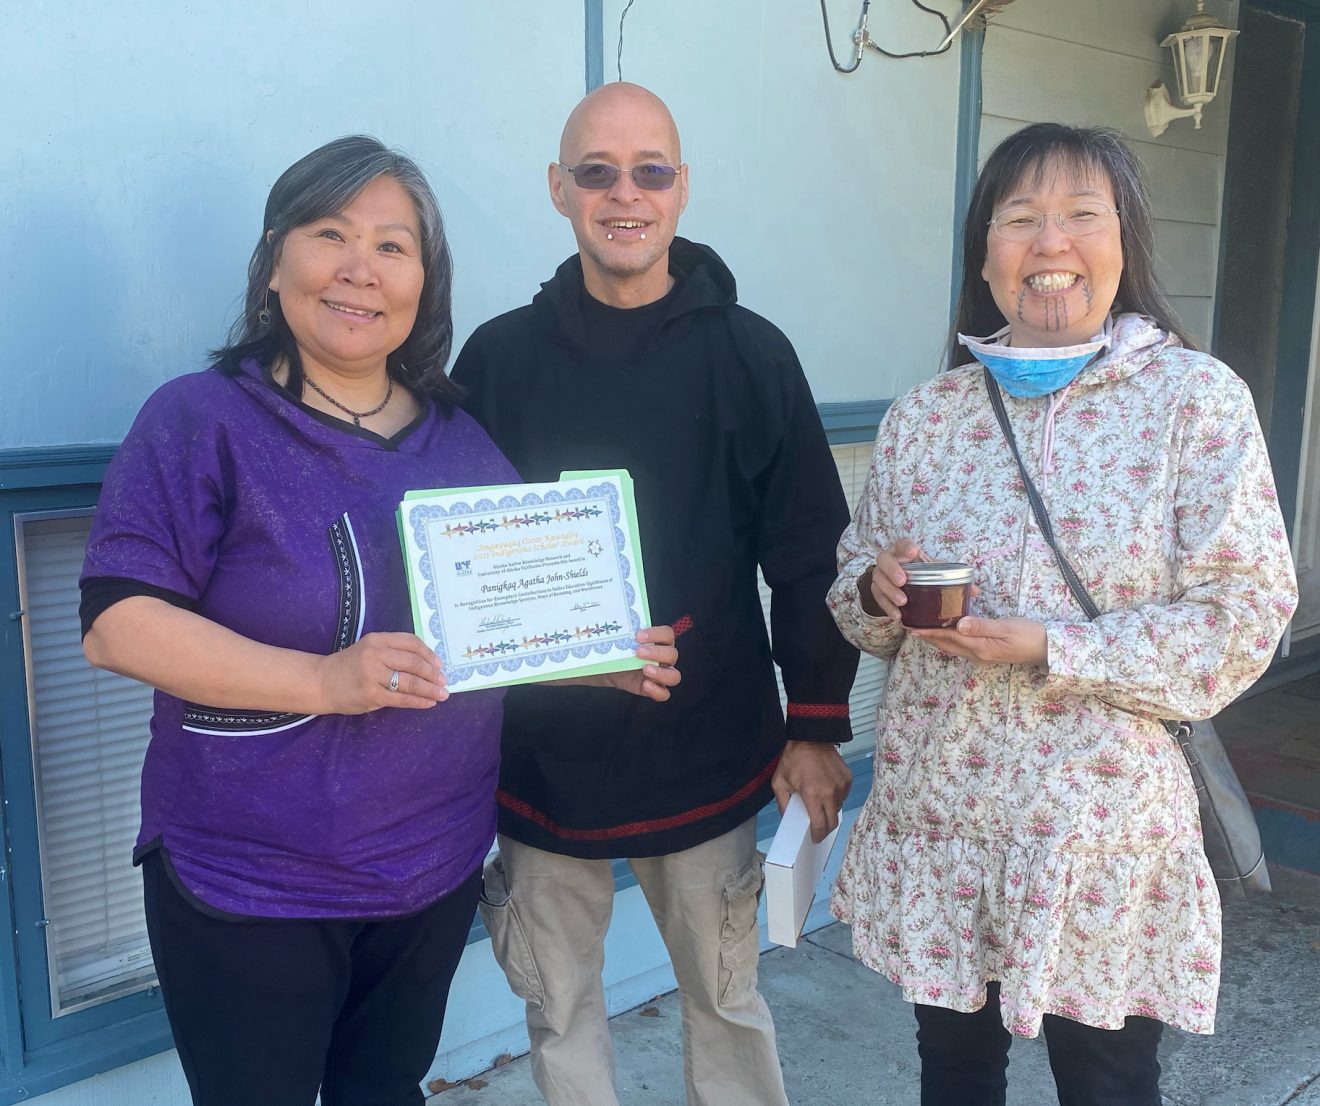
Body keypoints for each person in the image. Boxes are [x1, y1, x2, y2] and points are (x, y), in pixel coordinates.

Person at [78, 135, 679, 1106]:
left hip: (428, 865)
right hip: (250, 877)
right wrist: (323, 680)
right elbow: (116, 623)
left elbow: (485, 626)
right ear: (277, 261)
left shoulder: (463, 440)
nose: (360, 267)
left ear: (424, 283)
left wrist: (587, 654)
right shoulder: (200, 420)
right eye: (330, 233)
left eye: (393, 246)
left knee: (384, 1091)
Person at [827, 121, 1298, 1106]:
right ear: (985, 253)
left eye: (1082, 215)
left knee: (1109, 1080)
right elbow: (855, 588)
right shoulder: (929, 413)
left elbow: (1244, 612)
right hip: (943, 818)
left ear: (1125, 243)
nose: (1050, 243)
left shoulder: (1194, 402)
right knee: (954, 1072)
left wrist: (1054, 646)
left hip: (1102, 837)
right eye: (1021, 218)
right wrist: (873, 588)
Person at [451, 82, 858, 1106]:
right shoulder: (498, 360)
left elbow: (809, 552)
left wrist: (814, 720)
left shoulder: (751, 353)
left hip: (710, 751)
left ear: (682, 189)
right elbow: (461, 566)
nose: (623, 193)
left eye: (650, 170)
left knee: (725, 1002)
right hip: (543, 761)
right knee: (561, 1016)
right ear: (558, 188)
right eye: (597, 170)